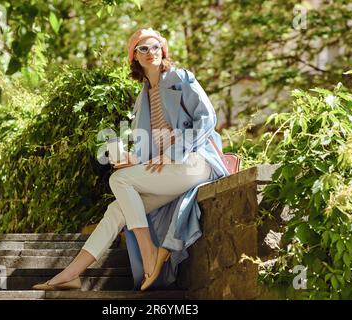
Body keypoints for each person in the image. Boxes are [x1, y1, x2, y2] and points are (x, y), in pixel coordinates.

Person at [32, 27, 229, 291]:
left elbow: (207, 119)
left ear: (164, 50)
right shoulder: (143, 98)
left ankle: (149, 251)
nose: (151, 53)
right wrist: (133, 160)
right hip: (171, 171)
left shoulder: (181, 78)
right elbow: (151, 149)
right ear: (134, 57)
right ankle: (72, 274)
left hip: (195, 163)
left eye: (156, 47)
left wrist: (170, 154)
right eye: (143, 49)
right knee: (116, 208)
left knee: (120, 181)